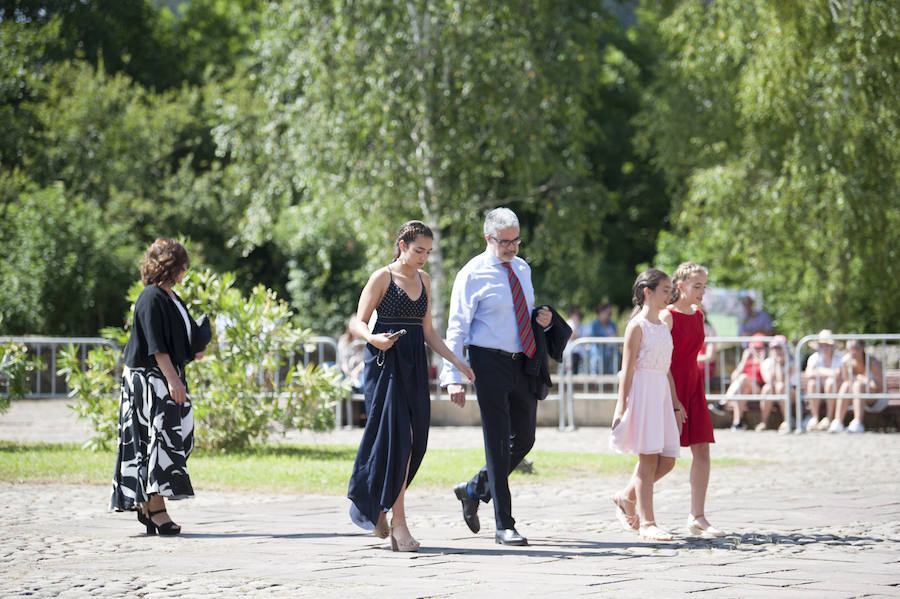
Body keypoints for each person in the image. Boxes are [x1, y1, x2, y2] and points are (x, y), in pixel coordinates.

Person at [347, 221, 474, 552]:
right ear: (401, 244)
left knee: (416, 442)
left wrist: (456, 362)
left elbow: (429, 332)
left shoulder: (426, 280)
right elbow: (356, 322)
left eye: (428, 252)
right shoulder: (382, 277)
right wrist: (374, 337)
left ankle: (376, 503)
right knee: (398, 441)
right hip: (385, 365)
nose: (423, 258)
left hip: (416, 365)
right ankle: (398, 526)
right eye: (419, 250)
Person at [442, 207, 564, 547]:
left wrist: (542, 320)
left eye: (516, 240)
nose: (512, 248)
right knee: (496, 442)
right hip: (487, 364)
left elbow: (519, 314)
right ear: (488, 238)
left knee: (524, 440)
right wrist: (453, 375)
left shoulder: (522, 269)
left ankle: (472, 489)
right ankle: (504, 525)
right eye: (504, 242)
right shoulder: (471, 274)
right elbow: (457, 328)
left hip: (522, 362)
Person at [111, 238, 207, 536]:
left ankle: (149, 504)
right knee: (157, 442)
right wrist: (172, 380)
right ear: (172, 266)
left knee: (175, 439)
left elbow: (181, 339)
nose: (184, 271)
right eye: (181, 266)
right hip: (150, 379)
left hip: (165, 376)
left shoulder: (171, 297)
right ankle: (156, 508)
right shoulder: (150, 297)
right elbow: (156, 347)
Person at [609, 269, 685, 542]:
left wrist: (675, 403)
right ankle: (647, 523)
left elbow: (666, 369)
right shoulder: (636, 326)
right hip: (642, 392)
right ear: (647, 292)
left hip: (661, 393)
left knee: (666, 461)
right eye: (665, 289)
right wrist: (621, 407)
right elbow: (627, 370)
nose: (670, 294)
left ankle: (626, 497)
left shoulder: (663, 326)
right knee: (648, 457)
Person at [658, 262, 725, 537]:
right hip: (670, 387)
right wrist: (674, 400)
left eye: (704, 286)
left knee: (703, 449)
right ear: (681, 286)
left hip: (694, 386)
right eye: (697, 286)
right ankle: (629, 495)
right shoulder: (667, 316)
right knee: (662, 455)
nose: (702, 291)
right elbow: (660, 360)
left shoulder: (698, 315)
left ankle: (697, 515)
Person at [831, 340, 884, 433]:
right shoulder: (848, 362)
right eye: (849, 349)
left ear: (862, 348)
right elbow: (847, 381)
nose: (853, 352)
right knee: (846, 385)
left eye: (856, 348)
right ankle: (838, 421)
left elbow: (880, 387)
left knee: (858, 385)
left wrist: (861, 379)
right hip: (856, 397)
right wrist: (844, 366)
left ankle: (858, 421)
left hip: (876, 398)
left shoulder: (872, 362)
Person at [723, 333, 767, 430]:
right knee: (744, 391)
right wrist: (744, 360)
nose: (756, 350)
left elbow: (766, 379)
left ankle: (724, 401)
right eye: (754, 348)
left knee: (743, 378)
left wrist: (761, 361)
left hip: (759, 388)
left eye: (759, 348)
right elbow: (734, 376)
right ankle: (737, 423)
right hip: (747, 388)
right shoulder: (747, 360)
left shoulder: (765, 361)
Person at [803, 329, 843, 432]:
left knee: (830, 383)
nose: (824, 348)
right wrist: (829, 372)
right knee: (812, 383)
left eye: (827, 345)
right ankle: (815, 417)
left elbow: (838, 375)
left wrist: (819, 371)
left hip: (835, 390)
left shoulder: (839, 359)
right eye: (821, 345)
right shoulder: (814, 357)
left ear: (832, 347)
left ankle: (829, 418)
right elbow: (808, 373)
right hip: (819, 390)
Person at [758, 335, 794, 432]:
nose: (777, 350)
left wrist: (778, 364)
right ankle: (763, 422)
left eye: (780, 347)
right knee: (767, 388)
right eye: (775, 348)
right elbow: (768, 380)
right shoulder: (767, 363)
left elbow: (781, 381)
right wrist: (777, 363)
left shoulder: (792, 363)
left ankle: (787, 421)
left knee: (781, 387)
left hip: (792, 392)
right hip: (776, 390)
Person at [337, 315, 366, 392]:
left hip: (361, 371)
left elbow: (366, 359)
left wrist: (357, 371)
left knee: (363, 385)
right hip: (347, 371)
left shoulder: (365, 339)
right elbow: (342, 360)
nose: (354, 327)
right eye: (352, 324)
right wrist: (349, 372)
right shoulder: (343, 340)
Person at [589, 303, 619, 374]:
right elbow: (594, 340)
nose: (609, 315)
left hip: (612, 352)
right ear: (600, 312)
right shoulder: (594, 325)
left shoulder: (612, 324)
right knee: (598, 361)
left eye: (610, 313)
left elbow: (617, 336)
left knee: (617, 357)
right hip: (599, 352)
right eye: (608, 313)